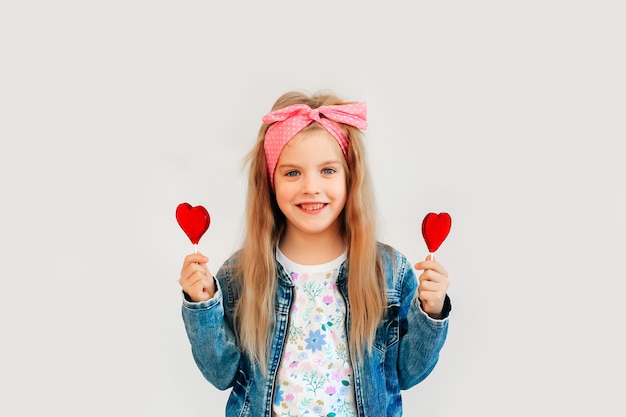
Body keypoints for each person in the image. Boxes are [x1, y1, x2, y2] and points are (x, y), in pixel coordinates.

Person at [178, 90, 452, 416]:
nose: (311, 187)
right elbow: (221, 373)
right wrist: (201, 305)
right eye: (292, 172)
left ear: (351, 177)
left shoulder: (388, 271)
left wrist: (430, 311)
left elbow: (407, 373)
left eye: (328, 170)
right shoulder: (242, 272)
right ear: (270, 183)